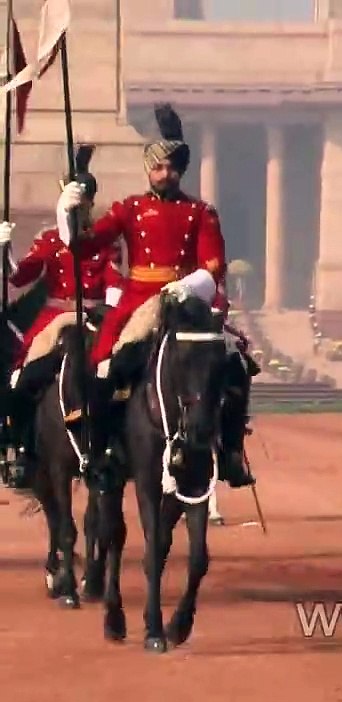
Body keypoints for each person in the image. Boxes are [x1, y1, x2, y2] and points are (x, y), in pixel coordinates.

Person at [56, 103, 255, 490]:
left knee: (235, 363)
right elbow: (86, 244)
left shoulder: (201, 211)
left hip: (188, 298)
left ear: (180, 170)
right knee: (105, 367)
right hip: (139, 301)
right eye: (158, 167)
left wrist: (188, 286)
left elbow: (214, 264)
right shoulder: (129, 208)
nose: (165, 174)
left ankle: (230, 451)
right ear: (149, 170)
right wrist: (69, 212)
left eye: (171, 168)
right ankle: (102, 447)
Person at [0, 145, 123, 489]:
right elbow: (19, 278)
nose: (77, 211)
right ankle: (21, 445)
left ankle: (118, 442)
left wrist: (108, 315)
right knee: (22, 377)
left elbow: (115, 283)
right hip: (54, 318)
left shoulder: (105, 241)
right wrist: (3, 252)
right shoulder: (49, 240)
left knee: (118, 374)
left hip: (94, 315)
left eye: (82, 205)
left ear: (90, 205)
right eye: (71, 205)